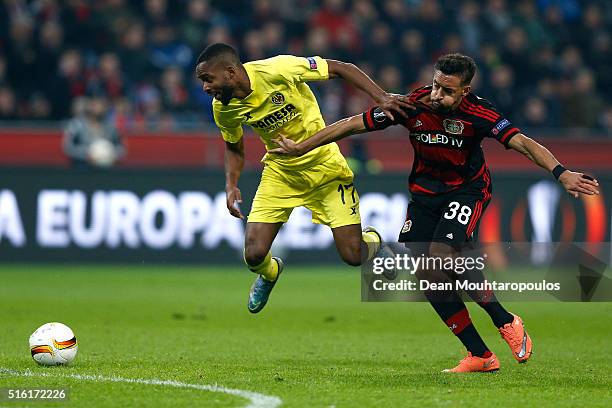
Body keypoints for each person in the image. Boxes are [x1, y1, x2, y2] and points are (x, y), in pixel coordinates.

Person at [270, 53, 600, 372]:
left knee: (442, 255)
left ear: (465, 92)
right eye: (435, 85)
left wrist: (562, 173)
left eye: (447, 90)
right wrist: (302, 146)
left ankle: (505, 320)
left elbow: (524, 143)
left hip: (467, 190)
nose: (437, 94)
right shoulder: (413, 104)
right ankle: (480, 354)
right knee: (425, 273)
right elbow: (352, 125)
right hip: (425, 195)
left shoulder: (479, 114)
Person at [195, 43, 412, 314]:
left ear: (230, 72)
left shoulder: (278, 70)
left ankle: (374, 241)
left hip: (325, 169)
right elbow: (233, 146)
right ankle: (270, 273)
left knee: (354, 256)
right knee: (253, 254)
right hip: (280, 173)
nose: (205, 88)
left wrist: (381, 97)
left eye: (208, 79)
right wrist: (230, 184)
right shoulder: (223, 108)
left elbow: (341, 68)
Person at [63, 96, 125, 168]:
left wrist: (112, 154)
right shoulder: (76, 125)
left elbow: (121, 148)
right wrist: (88, 154)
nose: (98, 108)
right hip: (81, 169)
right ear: (89, 106)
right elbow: (68, 147)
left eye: (101, 105)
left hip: (107, 170)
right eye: (94, 105)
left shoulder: (111, 127)